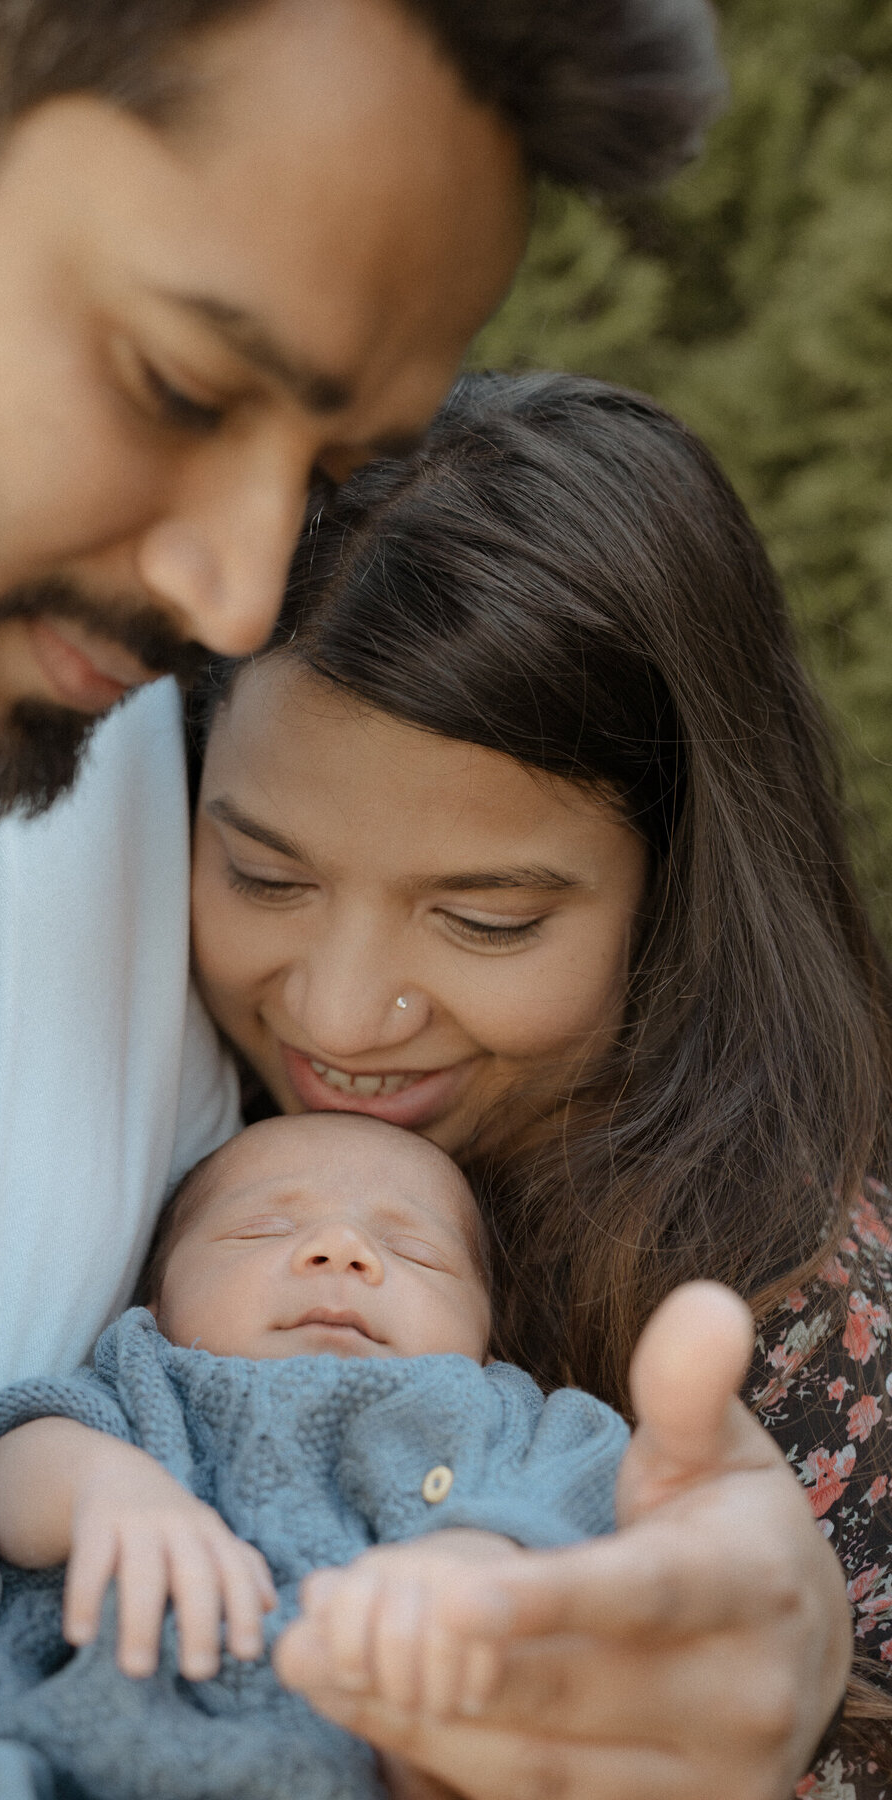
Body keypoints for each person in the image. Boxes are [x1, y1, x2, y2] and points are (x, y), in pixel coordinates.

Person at [0, 0, 735, 1794]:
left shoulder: (114, 754)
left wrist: (750, 1619)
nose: (242, 600)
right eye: (176, 382)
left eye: (332, 472)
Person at [188, 371, 892, 1795]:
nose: (337, 1010)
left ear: (678, 889)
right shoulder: (187, 1105)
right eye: (264, 875)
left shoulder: (805, 1322)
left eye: (486, 918)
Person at [0, 1112, 629, 1800]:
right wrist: (105, 1485)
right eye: (264, 1228)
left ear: (487, 1343)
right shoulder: (149, 1377)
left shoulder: (505, 1412)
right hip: (114, 1755)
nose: (341, 1249)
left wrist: (486, 1548)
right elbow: (13, 1460)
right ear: (157, 1303)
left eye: (415, 1250)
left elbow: (595, 1478)